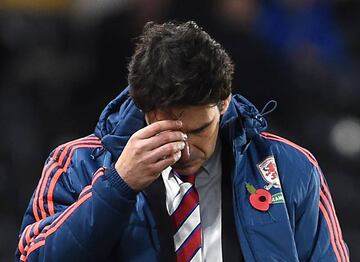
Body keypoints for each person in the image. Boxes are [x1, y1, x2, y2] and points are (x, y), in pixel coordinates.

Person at [16, 21, 349, 262]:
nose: (185, 148)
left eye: (198, 130)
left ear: (224, 102)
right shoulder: (77, 163)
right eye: (167, 131)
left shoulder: (289, 167)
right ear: (143, 109)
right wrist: (117, 185)